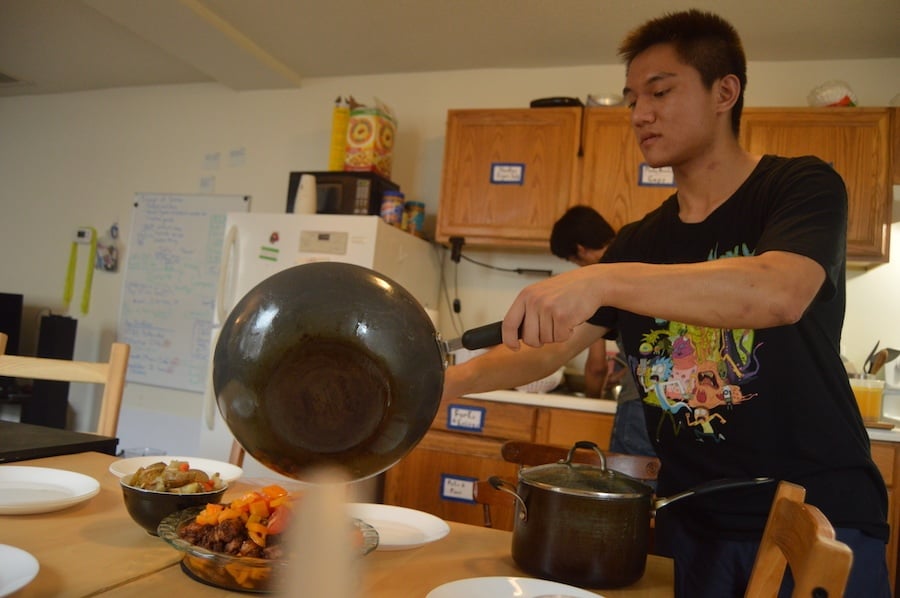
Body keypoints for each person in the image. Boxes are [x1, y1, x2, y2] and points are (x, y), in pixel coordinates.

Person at [442, 9, 890, 597]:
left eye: (660, 91)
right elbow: (543, 352)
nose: (639, 114)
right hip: (691, 524)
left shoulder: (799, 186)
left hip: (818, 518)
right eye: (632, 99)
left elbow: (780, 291)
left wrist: (602, 282)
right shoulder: (640, 241)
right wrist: (443, 385)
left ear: (724, 91)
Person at [550, 205, 656, 457]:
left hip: (638, 405)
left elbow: (596, 366)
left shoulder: (600, 280)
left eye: (573, 261)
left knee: (629, 489)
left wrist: (593, 397)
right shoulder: (642, 259)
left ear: (580, 250)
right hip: (676, 399)